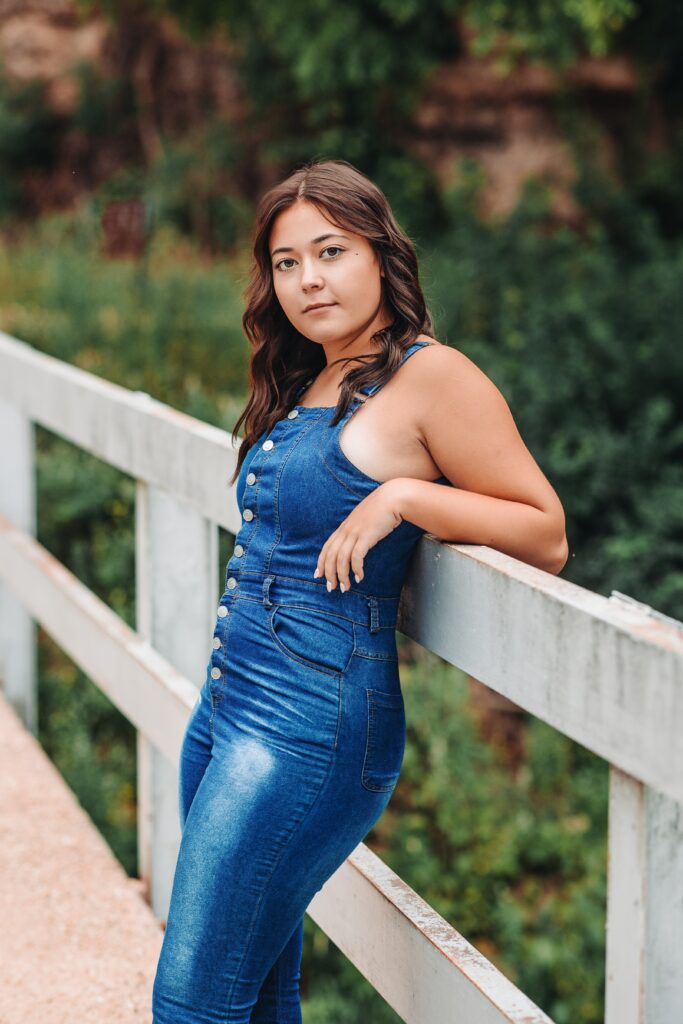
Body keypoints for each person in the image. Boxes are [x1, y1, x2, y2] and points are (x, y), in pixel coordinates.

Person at [151, 158, 568, 1023]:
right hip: (227, 710)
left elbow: (544, 530)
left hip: (307, 730)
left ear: (380, 254)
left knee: (191, 1005)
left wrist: (404, 497)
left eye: (330, 251)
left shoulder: (431, 375)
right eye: (285, 262)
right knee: (259, 990)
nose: (308, 279)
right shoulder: (308, 376)